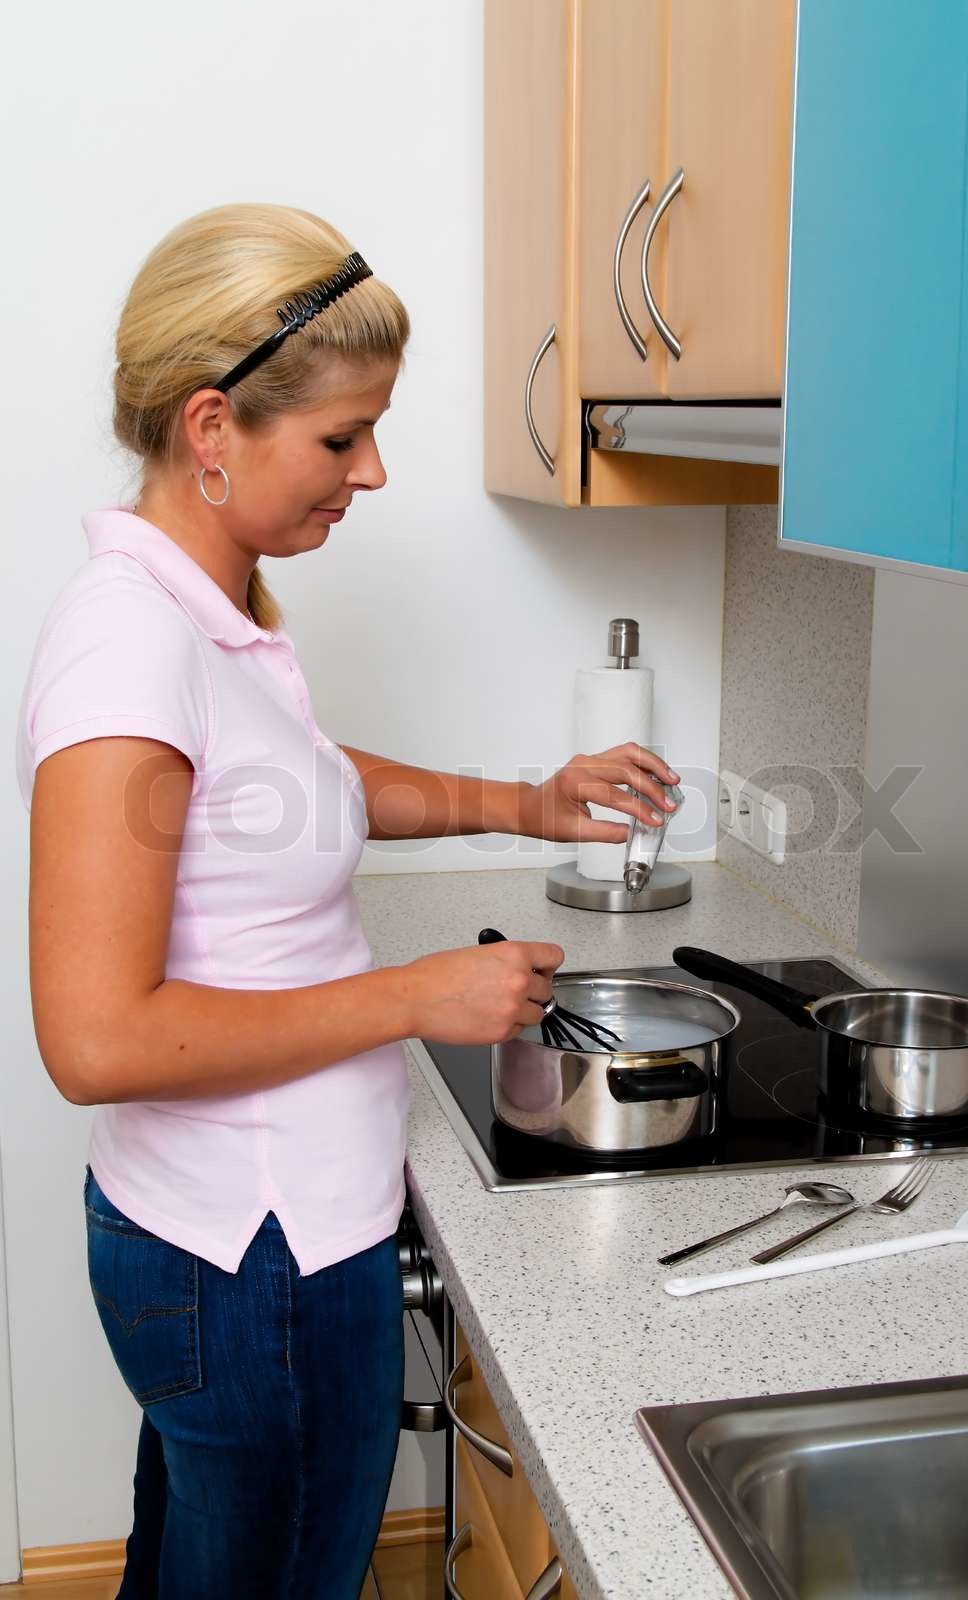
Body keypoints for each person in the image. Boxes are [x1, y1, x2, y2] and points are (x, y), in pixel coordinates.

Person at [16, 202, 680, 1599]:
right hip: (246, 1262)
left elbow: (294, 780)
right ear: (212, 428)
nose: (371, 471)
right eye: (339, 438)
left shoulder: (208, 612)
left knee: (203, 1569)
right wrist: (414, 997)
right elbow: (94, 1040)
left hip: (259, 1241)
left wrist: (523, 801)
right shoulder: (127, 649)